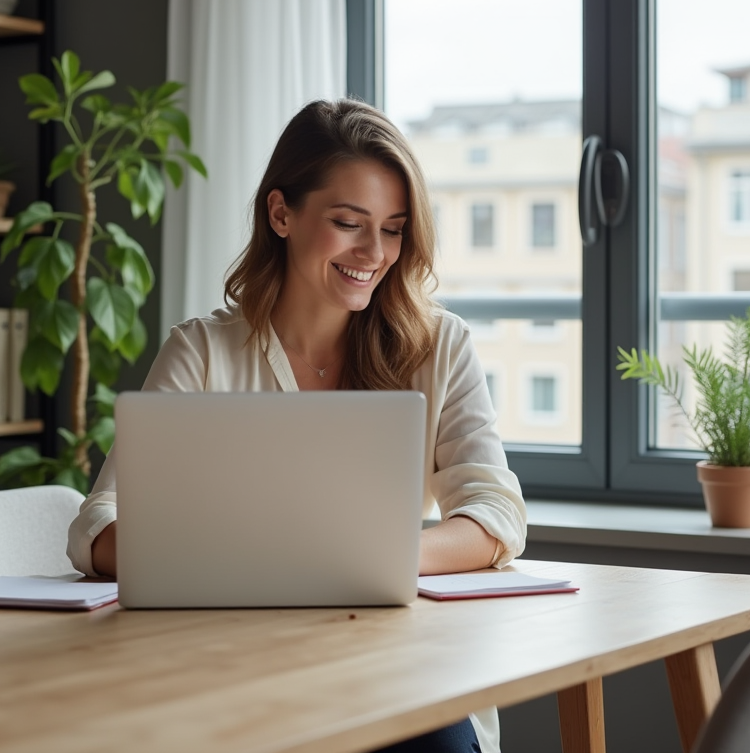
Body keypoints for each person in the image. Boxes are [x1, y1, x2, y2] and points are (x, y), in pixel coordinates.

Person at [67, 98, 527, 753]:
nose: (375, 252)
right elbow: (100, 526)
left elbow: (496, 512)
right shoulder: (202, 351)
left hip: (396, 673)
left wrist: (369, 563)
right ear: (282, 213)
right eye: (349, 223)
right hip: (230, 675)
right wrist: (275, 564)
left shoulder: (439, 346)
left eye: (394, 229)